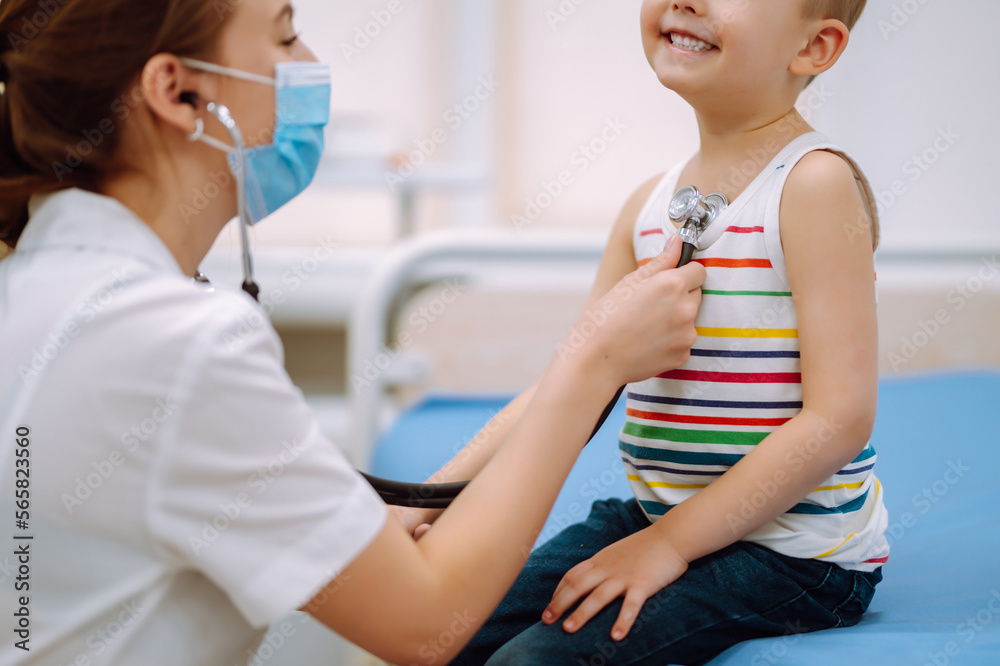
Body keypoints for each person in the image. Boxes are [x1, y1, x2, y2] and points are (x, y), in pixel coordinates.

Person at [0, 1, 709, 664]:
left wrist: (407, 504)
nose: (310, 64)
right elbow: (427, 624)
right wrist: (594, 366)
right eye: (284, 36)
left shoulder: (42, 291)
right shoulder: (171, 342)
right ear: (178, 92)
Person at [398, 1, 891, 664]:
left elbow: (840, 420)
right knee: (434, 628)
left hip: (791, 552)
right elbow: (570, 382)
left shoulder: (815, 185)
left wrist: (667, 546)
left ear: (814, 48)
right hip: (656, 514)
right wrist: (423, 502)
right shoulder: (648, 207)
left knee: (531, 661)